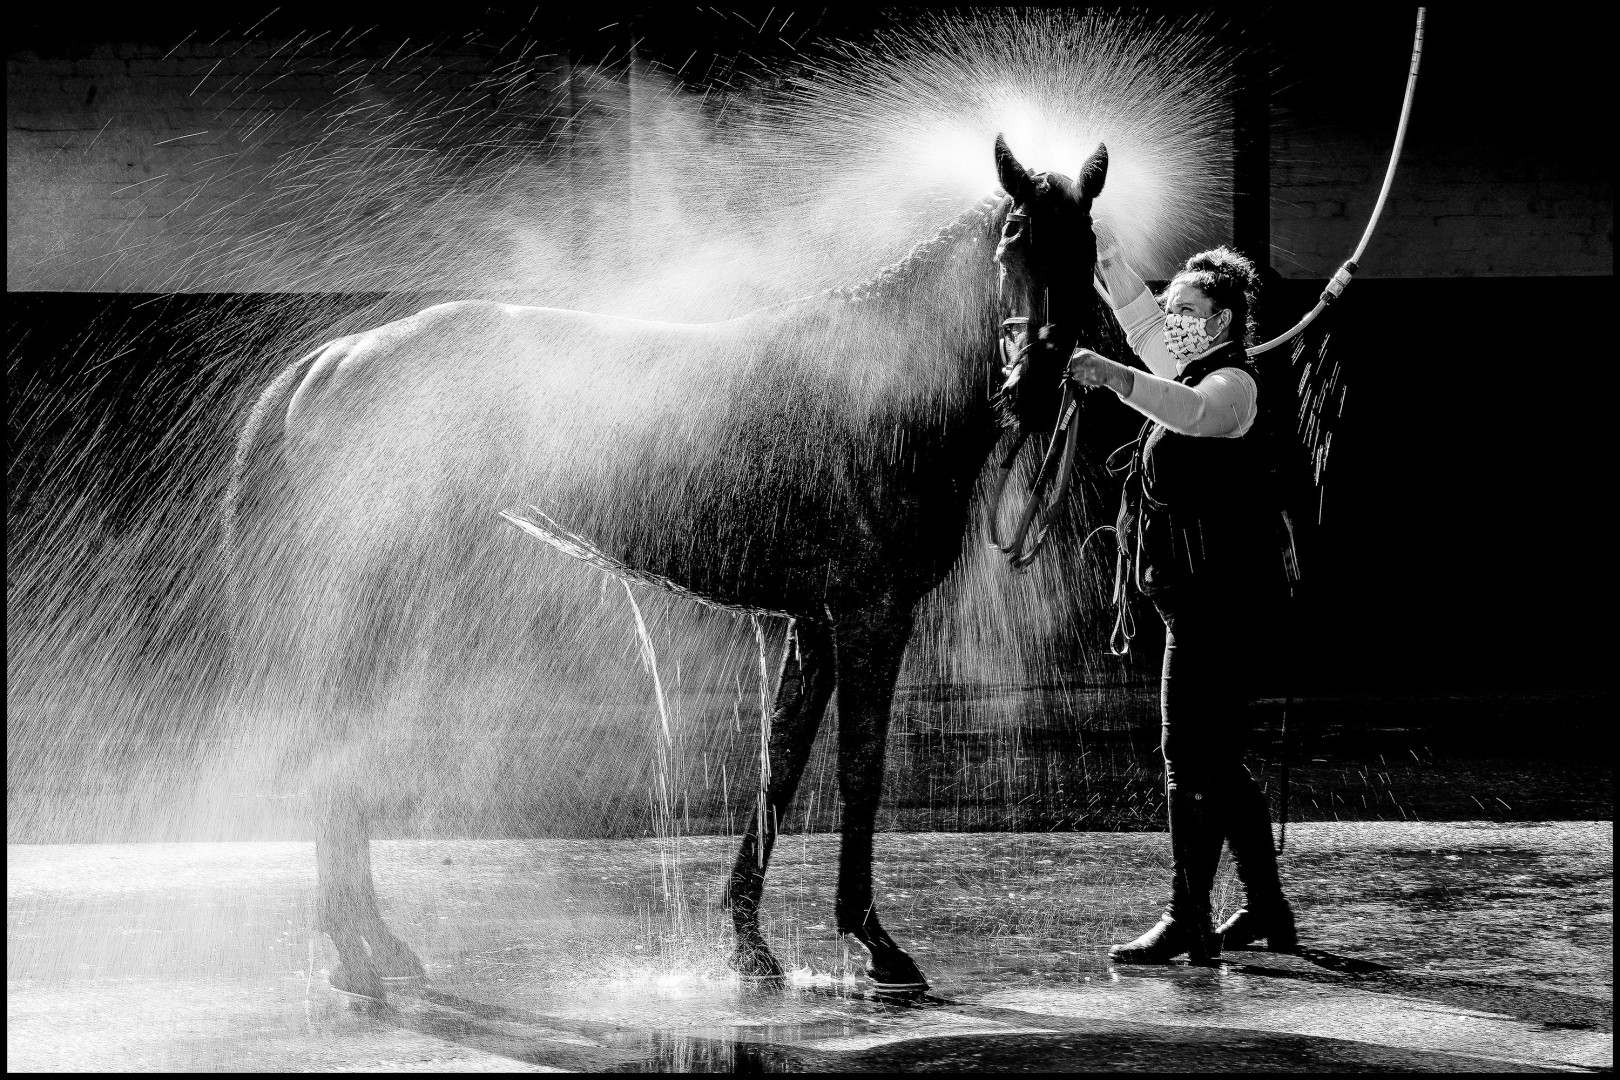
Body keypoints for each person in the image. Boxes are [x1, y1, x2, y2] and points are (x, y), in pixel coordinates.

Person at [1067, 243, 1297, 964]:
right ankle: (1264, 911)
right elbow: (1139, 321)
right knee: (1215, 762)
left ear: (1225, 319)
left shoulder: (1233, 385)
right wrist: (1097, 249)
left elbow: (1191, 412)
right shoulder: (1193, 365)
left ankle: (1187, 918)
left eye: (1189, 313)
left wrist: (1109, 375)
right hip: (1194, 605)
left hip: (1216, 608)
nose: (1174, 323)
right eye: (1174, 312)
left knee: (1188, 759)